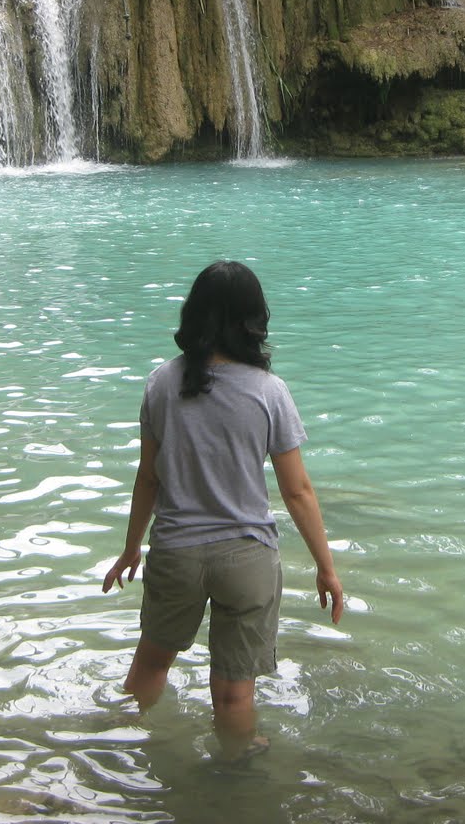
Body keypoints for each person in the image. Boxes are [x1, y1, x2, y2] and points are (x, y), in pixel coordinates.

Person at [101, 260, 345, 763]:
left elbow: (148, 476)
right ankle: (234, 781)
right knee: (235, 693)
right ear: (255, 322)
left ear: (193, 315)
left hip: (176, 551)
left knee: (149, 666)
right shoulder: (269, 392)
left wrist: (130, 549)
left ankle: (115, 755)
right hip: (247, 558)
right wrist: (326, 566)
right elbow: (297, 490)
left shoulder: (161, 384)